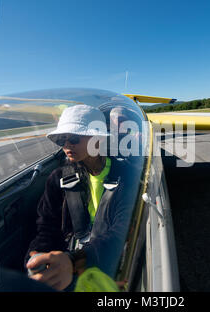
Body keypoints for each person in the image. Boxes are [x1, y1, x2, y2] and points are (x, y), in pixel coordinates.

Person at [25, 104, 133, 291]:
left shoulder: (126, 174)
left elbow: (122, 231)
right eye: (62, 140)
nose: (67, 145)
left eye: (74, 138)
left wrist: (75, 260)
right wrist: (38, 257)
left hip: (111, 256)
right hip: (71, 255)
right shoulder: (58, 178)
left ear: (98, 139)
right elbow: (47, 227)